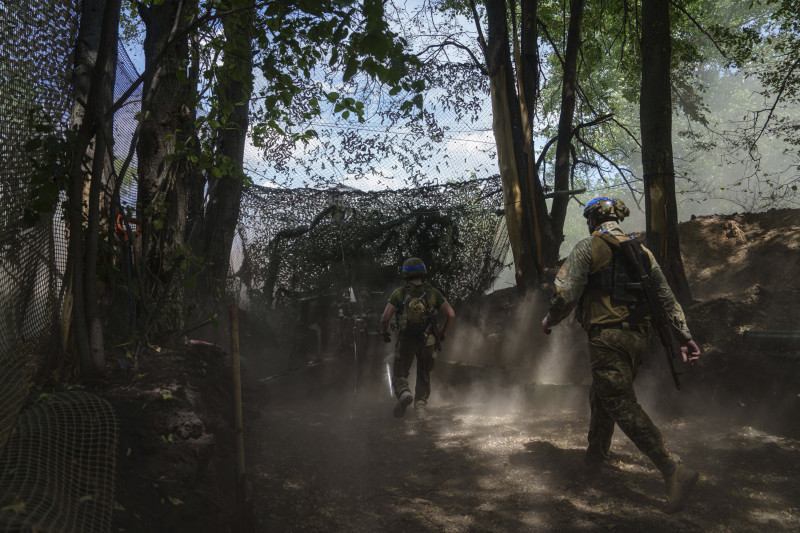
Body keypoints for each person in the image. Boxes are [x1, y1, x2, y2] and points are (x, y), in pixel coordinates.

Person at [540, 196, 702, 514]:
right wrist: (685, 337)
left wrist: (550, 318)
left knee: (618, 401)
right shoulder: (642, 252)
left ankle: (673, 468)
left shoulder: (588, 247)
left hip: (608, 337)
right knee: (603, 394)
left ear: (591, 220)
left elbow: (566, 293)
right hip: (639, 338)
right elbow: (667, 298)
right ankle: (596, 459)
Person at [380, 257, 455, 420]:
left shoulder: (399, 293)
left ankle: (404, 393)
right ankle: (420, 409)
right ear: (423, 272)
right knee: (424, 374)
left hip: (406, 340)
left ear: (405, 274)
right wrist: (443, 332)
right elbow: (451, 314)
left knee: (399, 374)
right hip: (428, 342)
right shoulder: (433, 293)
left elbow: (385, 318)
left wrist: (384, 333)